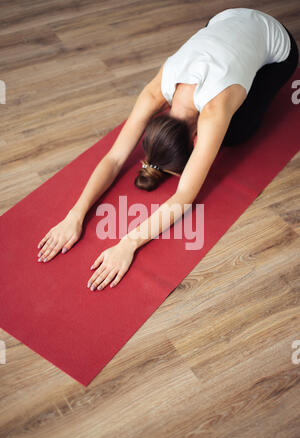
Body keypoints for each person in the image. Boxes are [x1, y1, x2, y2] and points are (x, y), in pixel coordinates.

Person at [37, 8, 299, 291]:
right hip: (224, 19)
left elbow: (184, 195)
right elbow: (113, 158)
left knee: (236, 134)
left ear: (196, 139)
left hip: (278, 44)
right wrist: (74, 215)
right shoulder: (156, 91)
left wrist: (128, 244)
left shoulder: (214, 110)